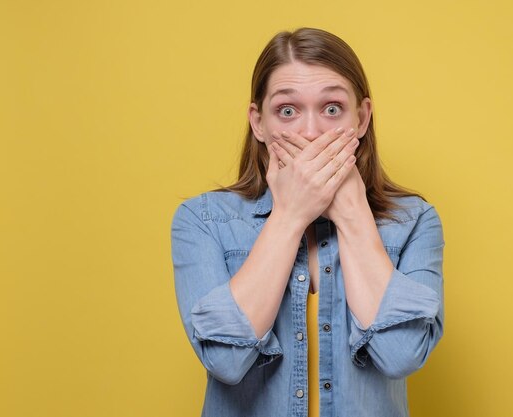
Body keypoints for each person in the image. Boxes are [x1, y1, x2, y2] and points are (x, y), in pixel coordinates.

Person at [170, 27, 445, 417]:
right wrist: (290, 214)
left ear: (362, 119)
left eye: (332, 109)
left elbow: (400, 356)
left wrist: (352, 213)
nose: (312, 132)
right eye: (287, 111)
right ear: (258, 123)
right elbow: (226, 363)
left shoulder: (415, 221)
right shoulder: (203, 220)